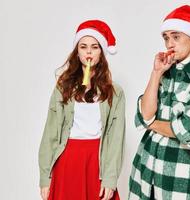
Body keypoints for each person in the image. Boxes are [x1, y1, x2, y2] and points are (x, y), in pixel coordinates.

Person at [128, 5, 190, 200]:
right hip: (145, 174)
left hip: (182, 182)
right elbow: (145, 113)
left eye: (176, 36)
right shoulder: (166, 71)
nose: (169, 43)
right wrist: (156, 73)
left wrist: (150, 123)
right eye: (165, 38)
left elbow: (184, 129)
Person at [38, 19, 125, 200]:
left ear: (101, 52)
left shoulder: (115, 92)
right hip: (68, 160)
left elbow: (116, 138)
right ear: (77, 52)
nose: (89, 52)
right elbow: (50, 133)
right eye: (83, 47)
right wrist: (45, 178)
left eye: (94, 47)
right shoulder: (63, 87)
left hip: (96, 161)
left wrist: (110, 179)